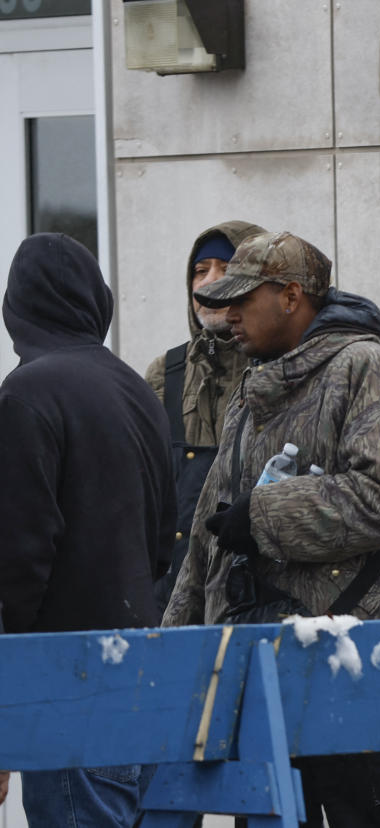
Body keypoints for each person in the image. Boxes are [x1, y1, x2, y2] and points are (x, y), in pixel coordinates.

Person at [161, 230, 380, 827]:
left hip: (350, 669)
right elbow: (211, 537)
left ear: (291, 296)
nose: (226, 313)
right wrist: (174, 645)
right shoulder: (254, 387)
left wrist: (262, 518)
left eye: (243, 299)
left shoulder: (365, 369)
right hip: (260, 667)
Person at [0, 233, 176, 827]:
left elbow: (17, 563)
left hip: (67, 690)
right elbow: (162, 542)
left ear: (17, 305)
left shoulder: (27, 394)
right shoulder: (137, 391)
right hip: (141, 683)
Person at [145, 221, 267, 613]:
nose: (209, 282)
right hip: (174, 600)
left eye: (225, 268)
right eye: (200, 271)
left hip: (255, 599)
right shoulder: (165, 373)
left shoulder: (279, 371)